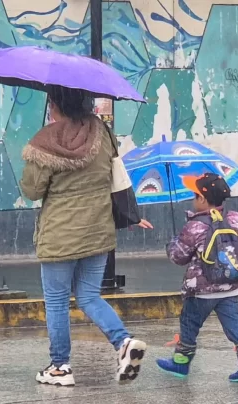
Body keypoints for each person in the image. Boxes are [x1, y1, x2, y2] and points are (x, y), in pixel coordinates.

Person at [20, 86, 147, 387]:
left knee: (57, 301)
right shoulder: (102, 133)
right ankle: (123, 342)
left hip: (60, 235)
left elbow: (32, 190)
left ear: (54, 104)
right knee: (89, 296)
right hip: (98, 231)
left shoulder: (46, 141)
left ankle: (60, 367)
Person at [156, 173, 238, 382]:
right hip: (231, 287)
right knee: (235, 325)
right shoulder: (235, 218)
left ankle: (181, 363)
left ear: (202, 199)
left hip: (200, 291)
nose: (193, 200)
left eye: (194, 196)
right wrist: (231, 267)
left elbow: (178, 257)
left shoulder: (196, 226)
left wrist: (173, 243)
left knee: (189, 325)